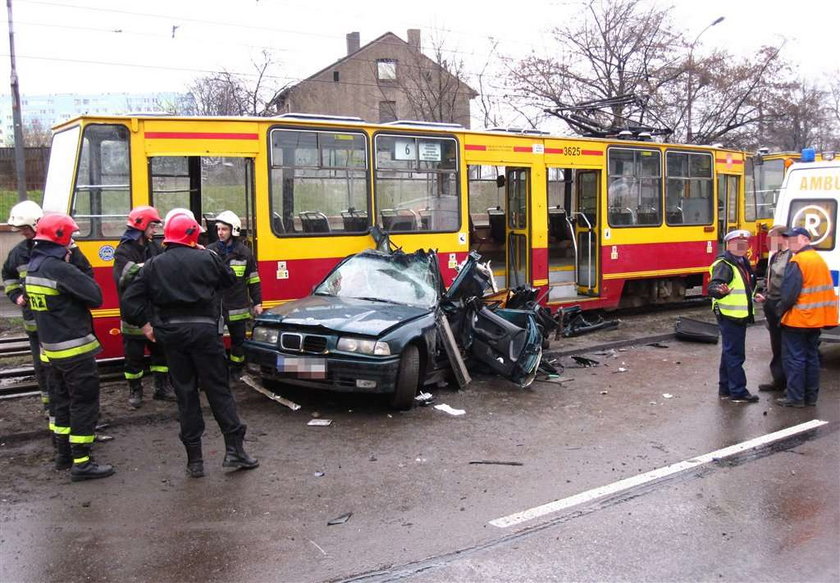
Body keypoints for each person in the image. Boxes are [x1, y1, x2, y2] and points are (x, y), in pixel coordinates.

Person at [120, 213, 259, 478]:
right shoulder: (207, 257)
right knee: (219, 390)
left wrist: (147, 326)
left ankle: (194, 461)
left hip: (172, 336)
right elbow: (230, 280)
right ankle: (235, 452)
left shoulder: (153, 265)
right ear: (193, 236)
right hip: (205, 333)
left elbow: (130, 302)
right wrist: (205, 255)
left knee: (185, 395)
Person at [25, 213, 114, 481]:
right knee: (84, 403)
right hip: (75, 351)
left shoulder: (34, 266)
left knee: (60, 402)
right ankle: (83, 462)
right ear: (61, 237)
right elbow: (95, 296)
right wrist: (73, 259)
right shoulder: (59, 268)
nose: (73, 241)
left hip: (51, 351)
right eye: (72, 237)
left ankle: (63, 455)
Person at [3, 201, 92, 426]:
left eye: (25, 228)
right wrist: (17, 297)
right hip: (36, 325)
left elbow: (86, 277)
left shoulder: (68, 250)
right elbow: (9, 278)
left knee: (69, 376)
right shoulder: (18, 253)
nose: (23, 233)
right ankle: (51, 408)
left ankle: (69, 415)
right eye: (20, 230)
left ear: (36, 224)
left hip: (63, 323)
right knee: (44, 370)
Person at [113, 205, 175, 408]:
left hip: (155, 311)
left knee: (161, 354)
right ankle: (135, 390)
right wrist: (149, 269)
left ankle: (161, 389)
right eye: (152, 226)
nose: (155, 230)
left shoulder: (153, 246)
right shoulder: (123, 251)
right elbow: (125, 277)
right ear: (141, 226)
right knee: (134, 359)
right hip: (133, 314)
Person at [775, 226, 839, 407]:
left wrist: (779, 311)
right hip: (816, 319)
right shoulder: (817, 259)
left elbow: (789, 294)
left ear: (806, 240)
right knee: (811, 357)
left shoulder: (798, 261)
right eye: (788, 239)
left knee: (795, 358)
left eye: (794, 239)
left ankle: (795, 397)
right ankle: (810, 397)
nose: (790, 242)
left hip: (798, 318)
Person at [707, 229, 763, 403]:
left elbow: (745, 285)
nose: (742, 247)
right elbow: (714, 287)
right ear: (728, 245)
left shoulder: (741, 262)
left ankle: (725, 388)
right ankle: (738, 391)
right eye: (738, 244)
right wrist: (720, 291)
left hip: (737, 314)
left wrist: (753, 295)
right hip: (730, 314)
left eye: (744, 244)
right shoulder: (725, 264)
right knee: (735, 354)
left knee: (729, 353)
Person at [206, 211, 262, 378]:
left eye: (224, 229)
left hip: (237, 305)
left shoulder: (245, 253)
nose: (220, 233)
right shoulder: (210, 251)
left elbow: (253, 280)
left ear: (234, 230)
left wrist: (257, 303)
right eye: (218, 229)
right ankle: (218, 371)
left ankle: (236, 369)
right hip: (216, 307)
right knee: (215, 343)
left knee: (238, 341)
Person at [757, 225, 792, 392]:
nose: (766, 242)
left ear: (782, 238)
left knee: (788, 345)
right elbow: (768, 277)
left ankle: (789, 383)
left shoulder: (792, 257)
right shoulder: (775, 256)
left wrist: (781, 303)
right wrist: (765, 294)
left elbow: (792, 283)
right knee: (776, 344)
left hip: (782, 304)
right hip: (771, 303)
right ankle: (778, 380)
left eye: (770, 238)